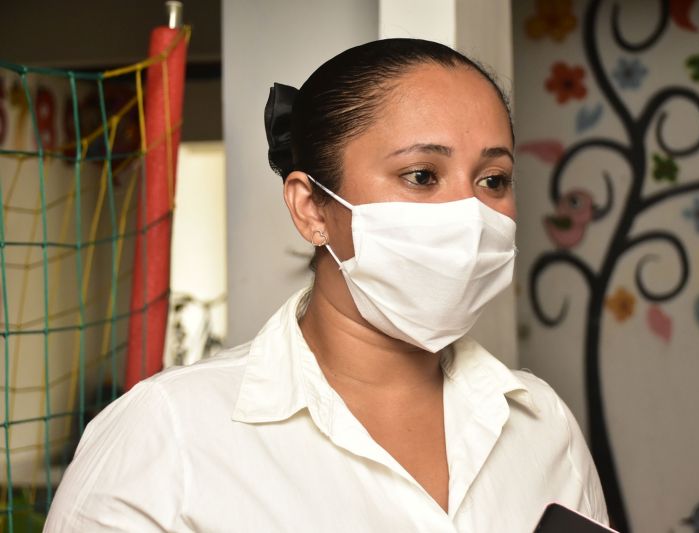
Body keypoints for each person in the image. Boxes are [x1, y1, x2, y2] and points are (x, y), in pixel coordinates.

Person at [45, 38, 608, 532]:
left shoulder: (542, 423)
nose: (468, 213)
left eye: (493, 179)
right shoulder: (167, 435)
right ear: (312, 207)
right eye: (421, 176)